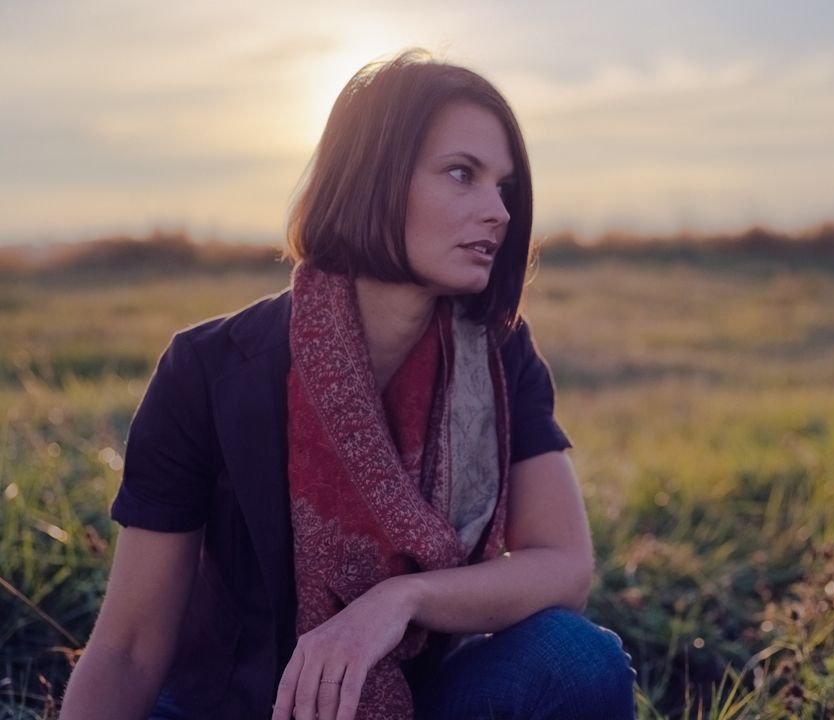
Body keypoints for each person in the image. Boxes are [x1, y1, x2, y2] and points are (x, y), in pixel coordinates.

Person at [60, 50, 636, 720]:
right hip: (240, 704)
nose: (499, 213)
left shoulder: (500, 358)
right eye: (462, 174)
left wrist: (396, 603)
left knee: (577, 659)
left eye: (504, 187)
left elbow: (563, 565)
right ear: (374, 178)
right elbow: (129, 647)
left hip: (421, 700)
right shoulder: (210, 368)